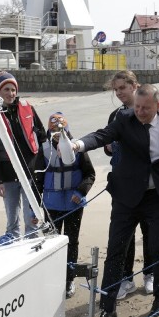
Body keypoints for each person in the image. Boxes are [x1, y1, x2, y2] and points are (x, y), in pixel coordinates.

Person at [73, 84, 159, 317]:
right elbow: (102, 136)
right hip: (126, 199)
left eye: (145, 108)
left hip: (158, 198)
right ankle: (108, 309)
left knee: (158, 249)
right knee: (116, 250)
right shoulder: (124, 120)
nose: (139, 111)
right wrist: (79, 145)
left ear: (158, 106)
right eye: (137, 106)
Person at [104, 71, 155, 299]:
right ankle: (126, 279)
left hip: (149, 185)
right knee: (124, 235)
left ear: (135, 86)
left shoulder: (151, 109)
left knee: (150, 232)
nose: (119, 93)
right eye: (116, 89)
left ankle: (150, 274)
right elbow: (107, 142)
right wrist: (108, 147)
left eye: (122, 88)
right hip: (123, 185)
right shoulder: (115, 115)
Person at [34, 112, 96, 299]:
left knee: (71, 241)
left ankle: (69, 280)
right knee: (51, 243)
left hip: (73, 205)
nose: (58, 134)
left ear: (67, 131)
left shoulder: (77, 149)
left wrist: (80, 192)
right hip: (51, 205)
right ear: (49, 132)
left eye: (61, 131)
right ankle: (53, 278)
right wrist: (34, 208)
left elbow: (90, 175)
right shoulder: (44, 150)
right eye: (54, 131)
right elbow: (37, 181)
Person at [0, 71, 47, 243]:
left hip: (30, 174)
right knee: (12, 220)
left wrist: (44, 168)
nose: (11, 93)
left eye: (13, 89)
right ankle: (12, 241)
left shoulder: (28, 109)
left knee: (31, 218)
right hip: (7, 176)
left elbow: (42, 137)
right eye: (6, 90)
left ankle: (32, 244)